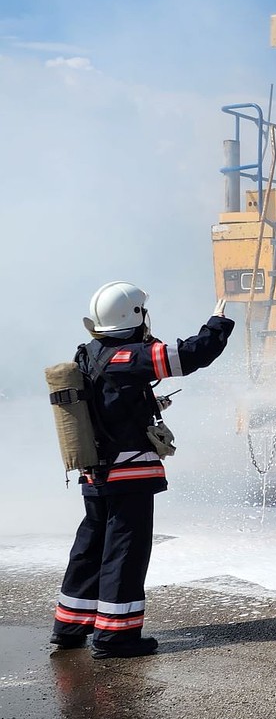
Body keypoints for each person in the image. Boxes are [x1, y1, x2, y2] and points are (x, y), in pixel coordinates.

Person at [50, 282, 234, 658]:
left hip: (95, 471)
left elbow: (111, 403)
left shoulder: (88, 353)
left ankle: (70, 625)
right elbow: (190, 355)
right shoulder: (127, 356)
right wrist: (217, 323)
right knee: (125, 551)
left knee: (90, 546)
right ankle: (117, 636)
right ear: (134, 315)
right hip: (126, 473)